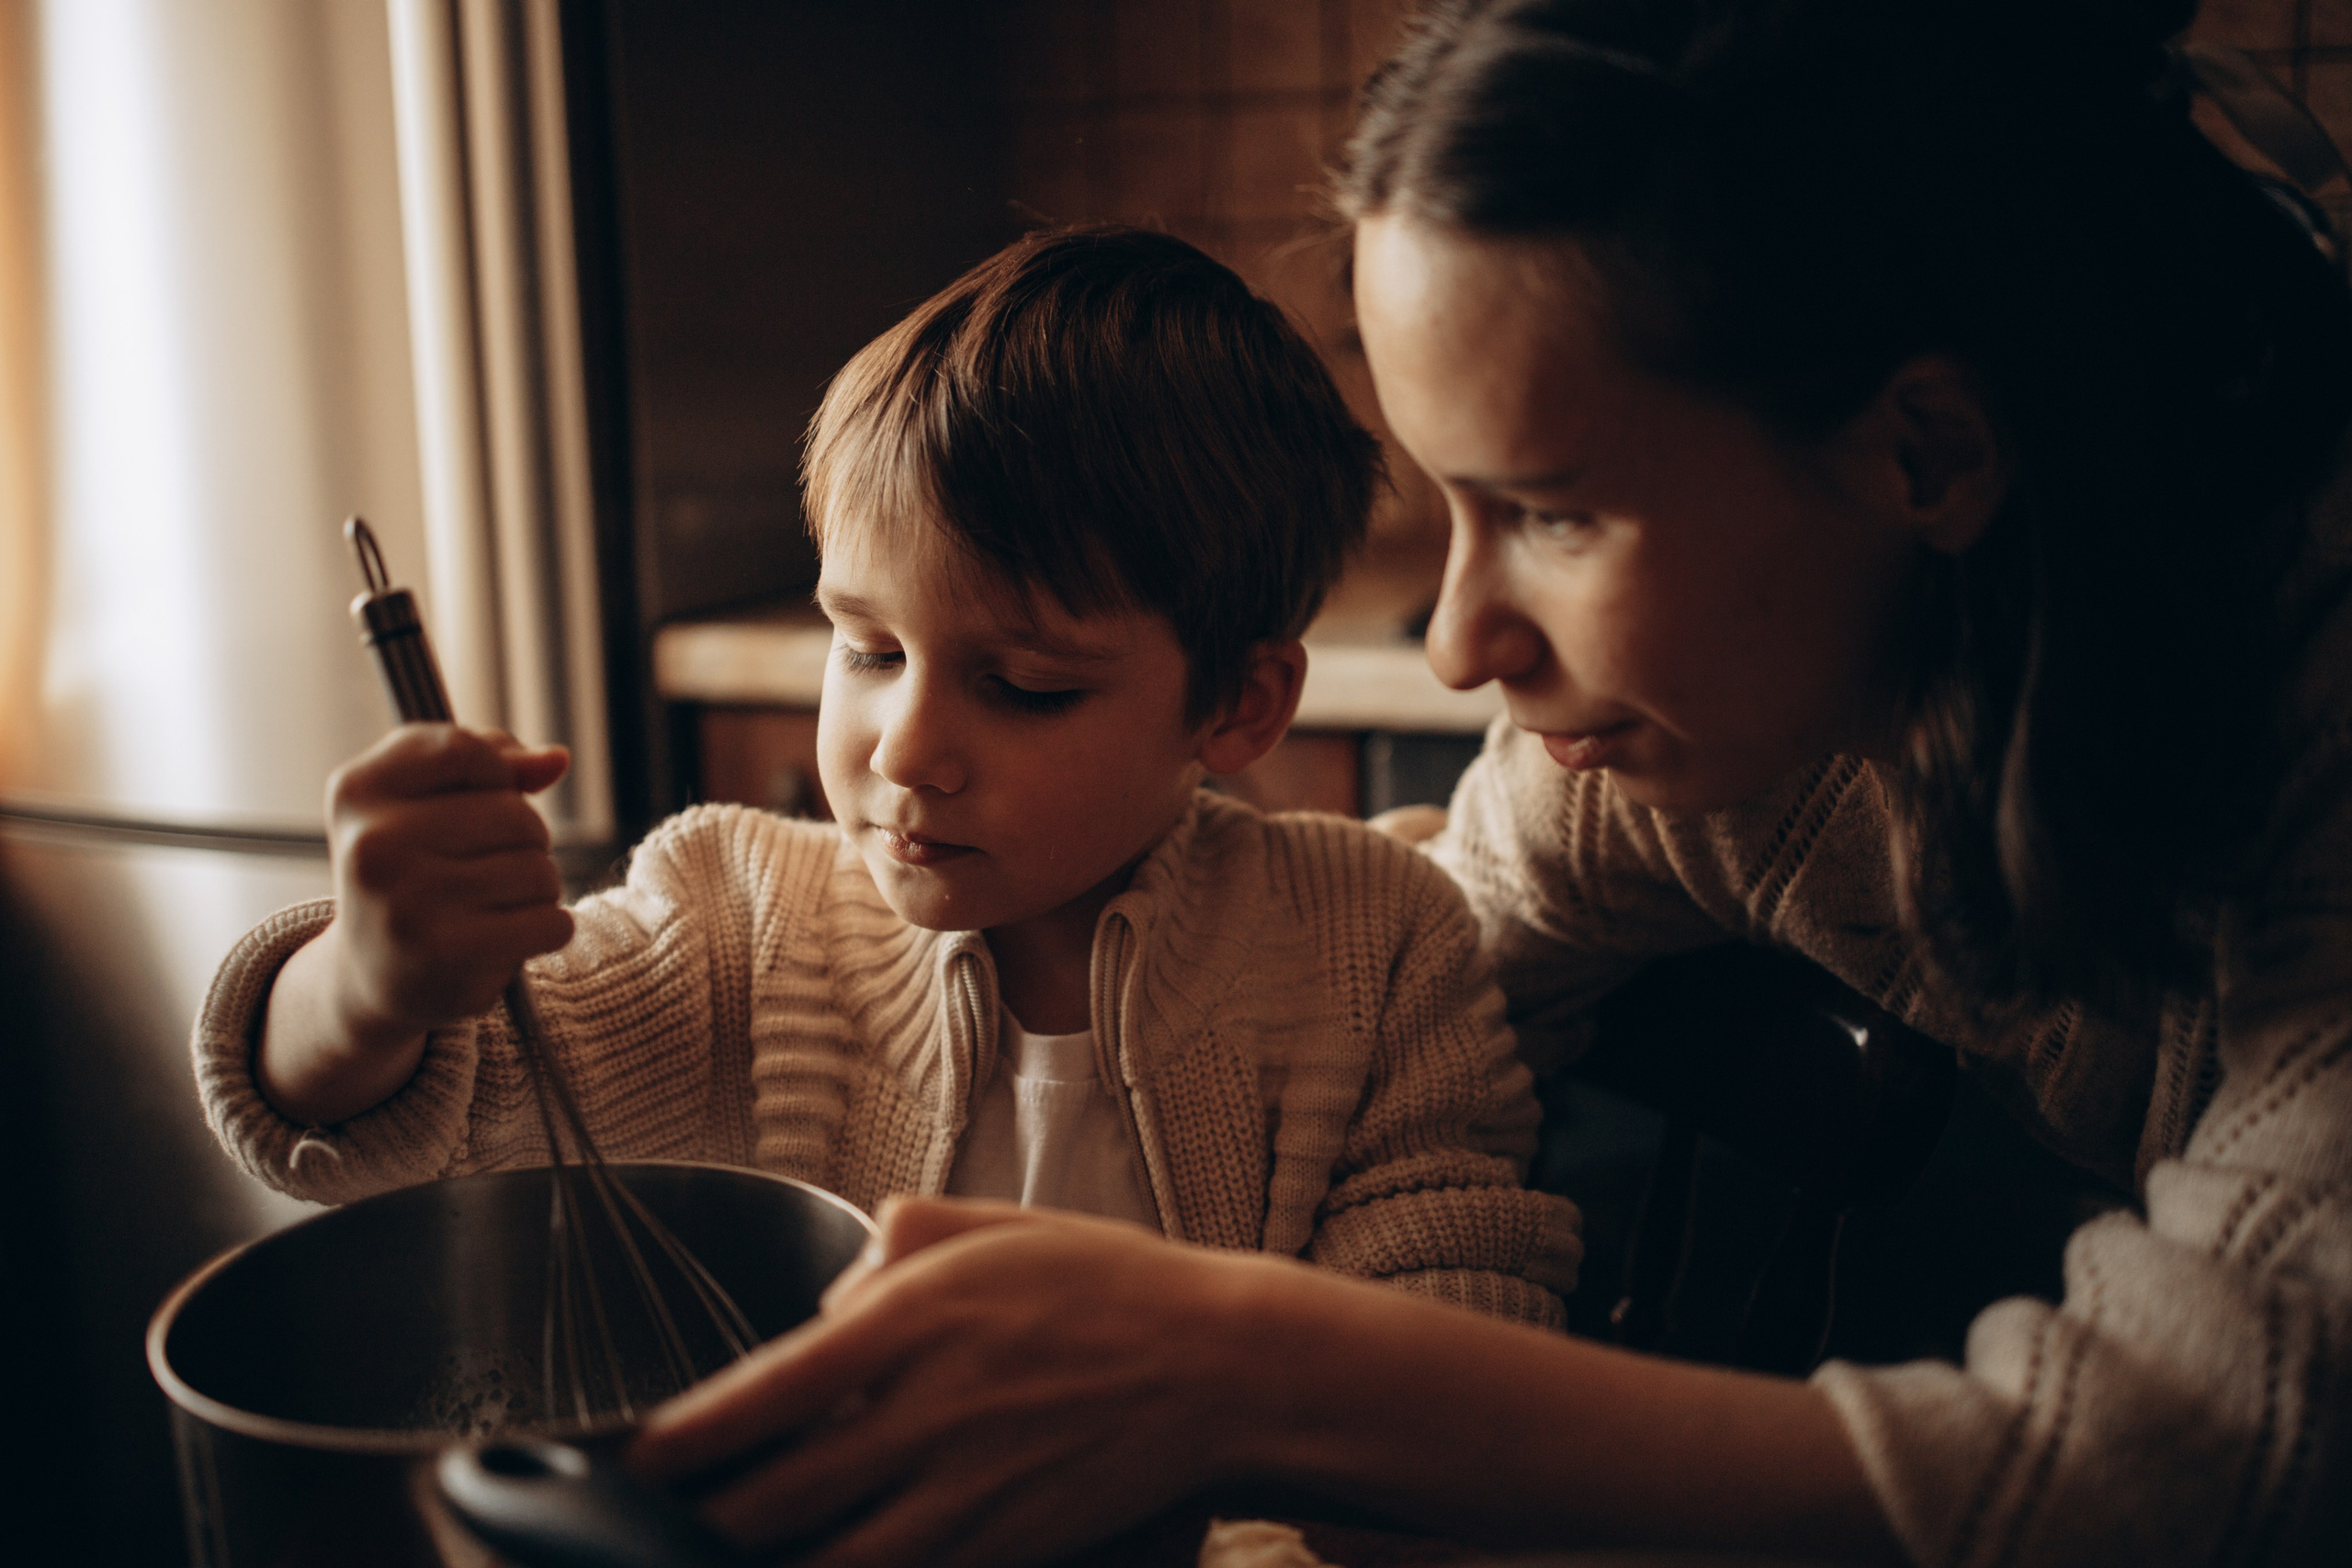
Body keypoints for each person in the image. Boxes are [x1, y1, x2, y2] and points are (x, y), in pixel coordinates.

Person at [618, 3, 2352, 1565]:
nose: (1457, 644)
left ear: (1927, 452)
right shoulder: (1657, 761)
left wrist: (1254, 1372)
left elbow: (2208, 1464)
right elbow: (1409, 953)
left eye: (1552, 513)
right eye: (1449, 503)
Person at [190, 228, 1581, 1327]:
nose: (904, 747)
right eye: (863, 649)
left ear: (1237, 704)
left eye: (1023, 684)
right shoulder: (735, 928)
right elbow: (401, 1116)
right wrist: (364, 989)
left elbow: (1451, 1354)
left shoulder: (1379, 953)